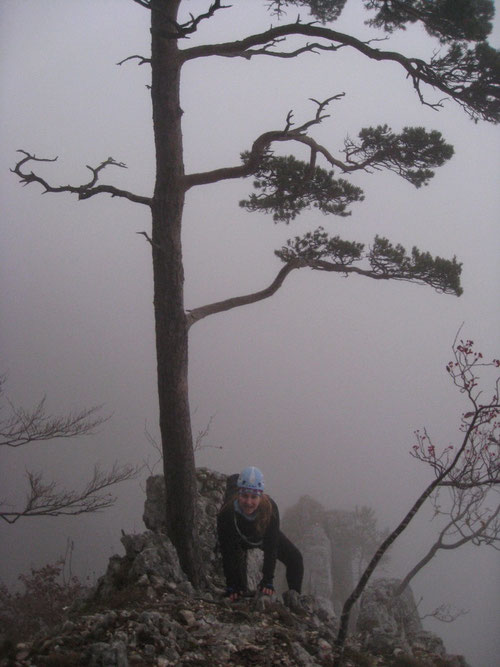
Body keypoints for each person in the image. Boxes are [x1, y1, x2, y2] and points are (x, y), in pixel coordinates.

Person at [217, 466, 304, 602]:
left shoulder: (270, 509)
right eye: (244, 496)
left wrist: (267, 580)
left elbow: (272, 546)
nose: (249, 502)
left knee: (295, 559)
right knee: (238, 586)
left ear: (261, 496)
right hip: (238, 539)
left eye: (254, 497)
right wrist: (232, 584)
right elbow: (227, 552)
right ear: (238, 494)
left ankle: (295, 601)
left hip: (261, 535)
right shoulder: (227, 513)